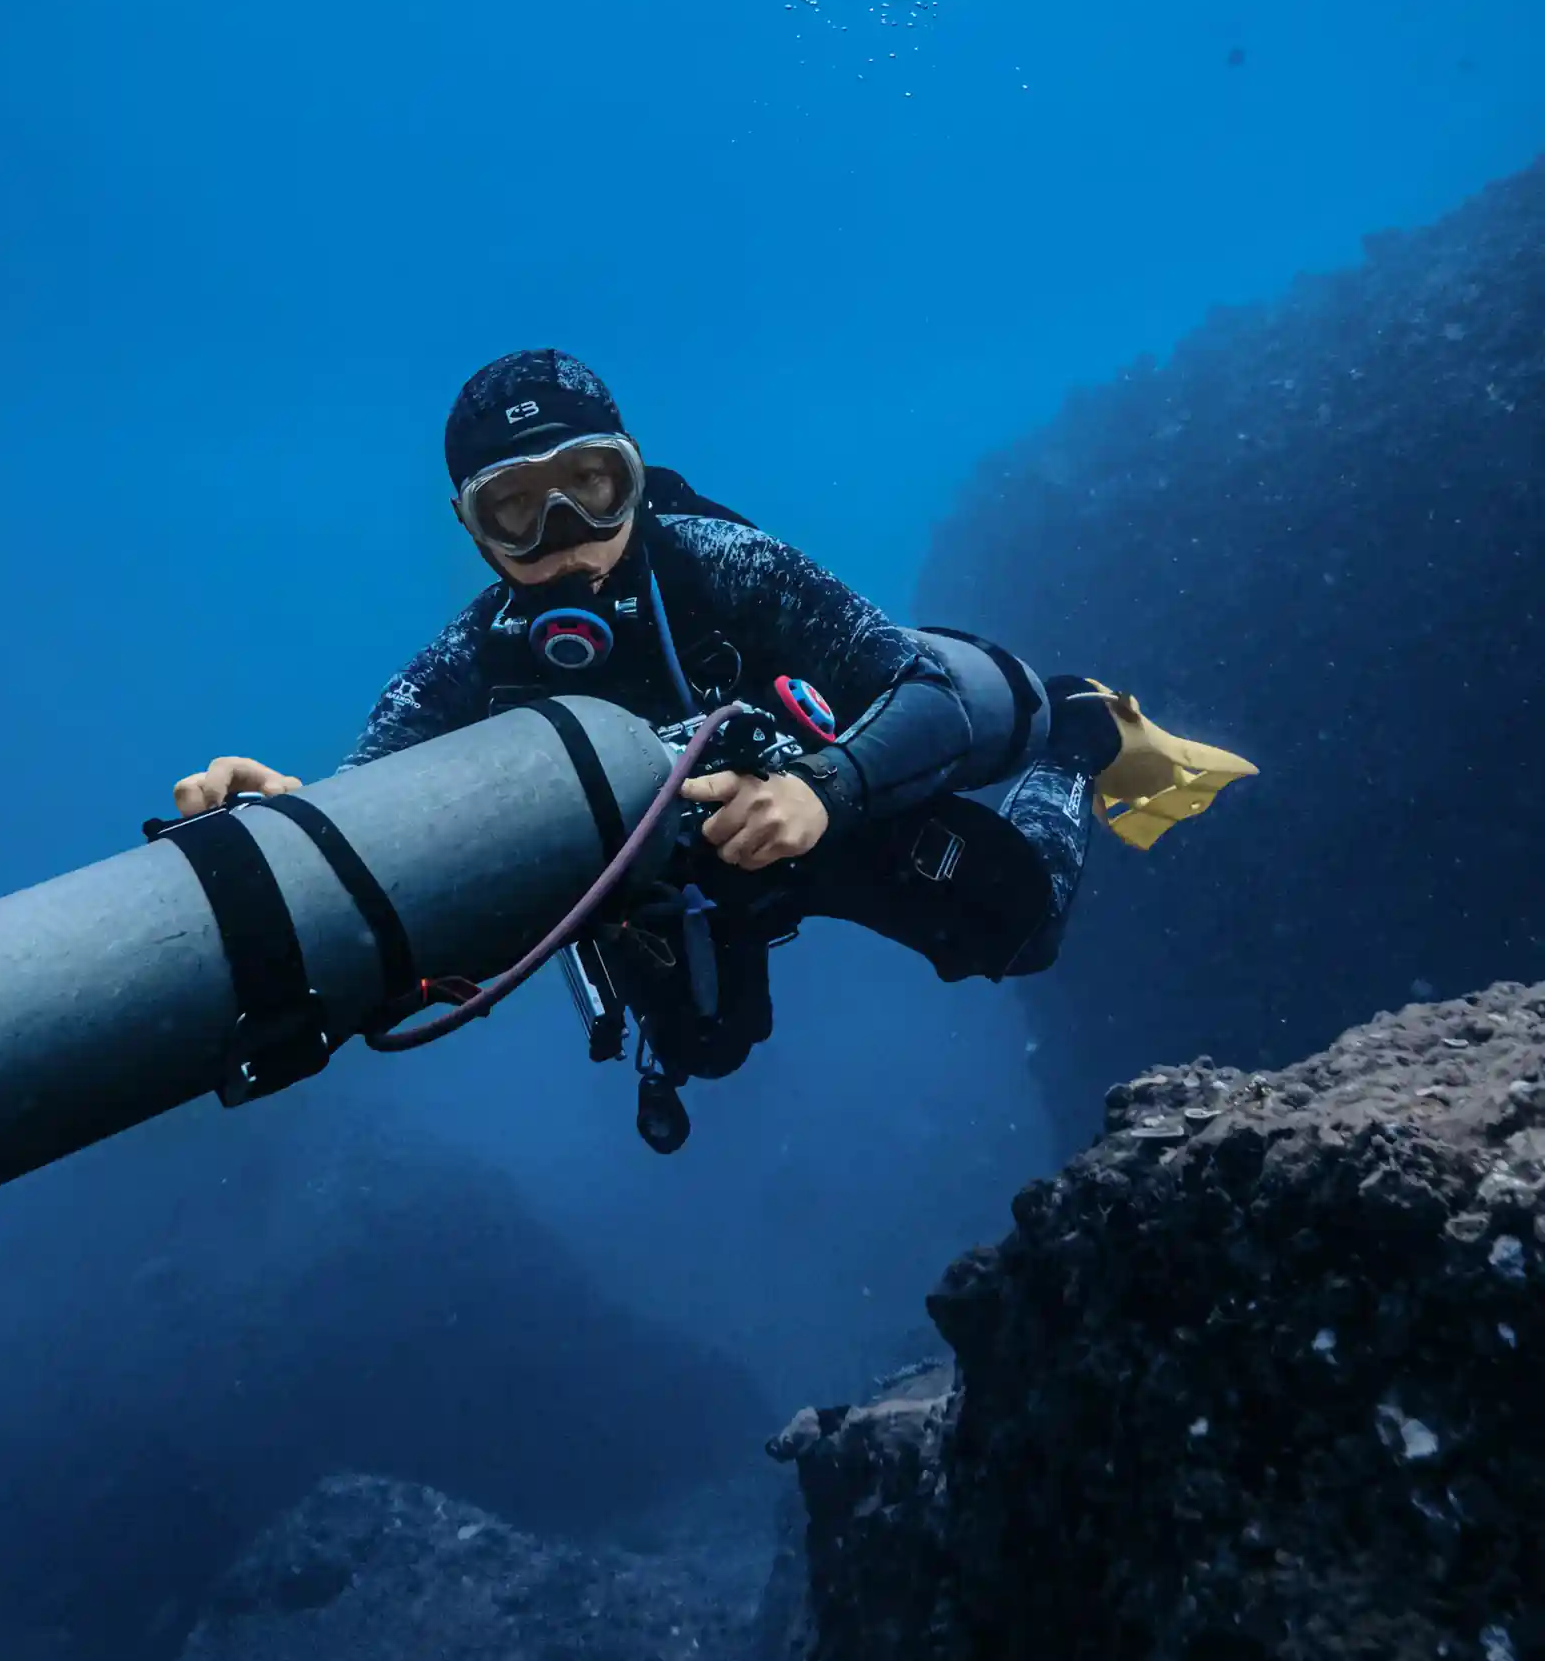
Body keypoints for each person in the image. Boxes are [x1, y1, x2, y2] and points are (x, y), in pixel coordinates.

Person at [174, 351, 1252, 1150]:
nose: (564, 533)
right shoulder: (469, 662)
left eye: (589, 484)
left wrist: (823, 792)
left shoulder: (723, 566)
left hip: (831, 806)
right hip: (681, 882)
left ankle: (1076, 734)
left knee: (1022, 932)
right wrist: (282, 809)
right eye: (516, 510)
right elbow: (364, 815)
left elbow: (921, 690)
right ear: (471, 529)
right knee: (707, 1051)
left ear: (633, 477)